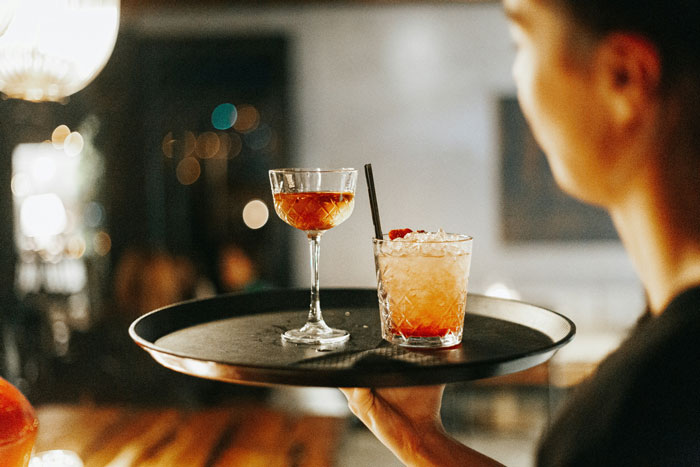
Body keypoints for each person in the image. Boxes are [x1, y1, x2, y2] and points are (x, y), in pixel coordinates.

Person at [341, 0, 700, 465]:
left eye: (521, 42)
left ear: (623, 77)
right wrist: (418, 437)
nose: (518, 75)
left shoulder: (640, 412)